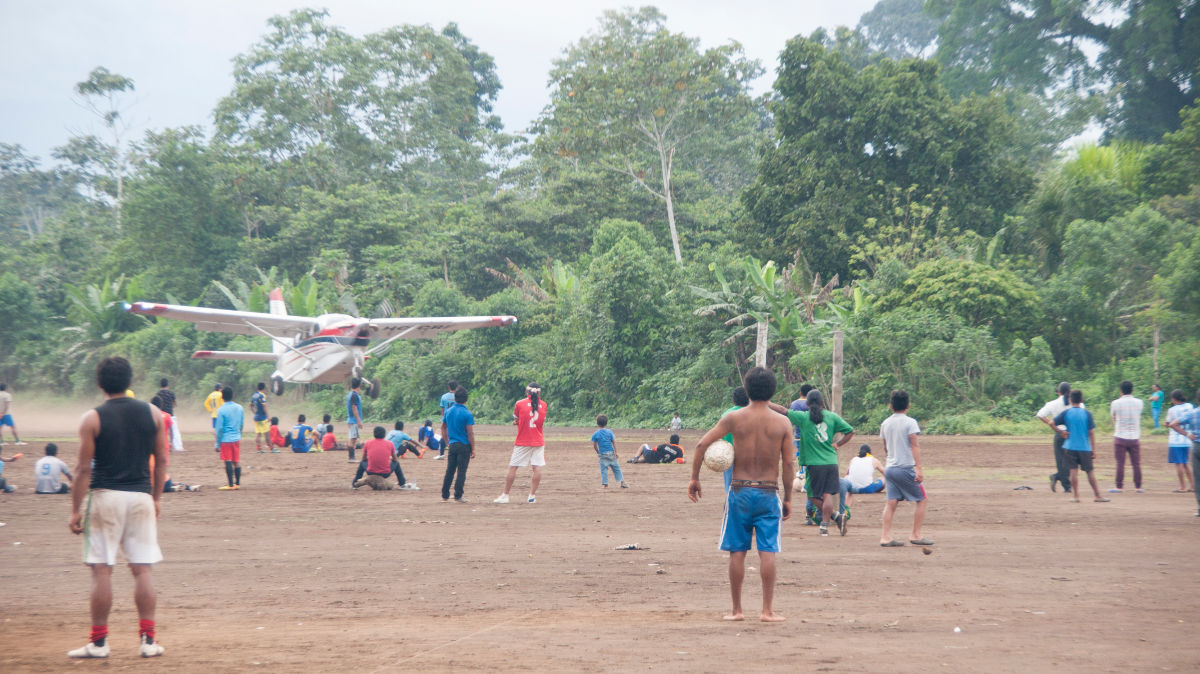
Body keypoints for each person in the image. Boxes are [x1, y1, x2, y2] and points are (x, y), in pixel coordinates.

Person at [68, 356, 167, 659]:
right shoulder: (154, 414)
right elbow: (162, 461)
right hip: (140, 497)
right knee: (142, 569)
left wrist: (75, 510)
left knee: (102, 571)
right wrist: (156, 498)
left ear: (100, 384)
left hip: (105, 497)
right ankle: (148, 641)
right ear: (129, 381)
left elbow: (83, 469)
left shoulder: (92, 419)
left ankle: (99, 643)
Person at [688, 366, 794, 623]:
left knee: (737, 551)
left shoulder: (734, 419)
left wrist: (695, 478)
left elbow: (702, 444)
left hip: (739, 490)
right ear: (773, 391)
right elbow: (789, 464)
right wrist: (789, 497)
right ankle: (767, 611)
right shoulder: (782, 422)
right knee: (768, 551)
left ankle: (737, 610)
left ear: (746, 390)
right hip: (769, 492)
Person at [771, 389, 854, 537]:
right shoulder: (832, 417)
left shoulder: (803, 417)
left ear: (807, 403)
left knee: (812, 496)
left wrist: (766, 402)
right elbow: (850, 431)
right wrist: (838, 444)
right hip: (831, 462)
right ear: (822, 402)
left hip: (814, 464)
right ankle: (828, 523)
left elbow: (783, 410)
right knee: (828, 494)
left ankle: (830, 521)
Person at [879, 389, 935, 546]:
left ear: (891, 406)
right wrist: (919, 468)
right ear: (908, 405)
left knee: (891, 502)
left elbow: (886, 448)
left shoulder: (885, 423)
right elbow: (914, 445)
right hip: (905, 468)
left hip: (889, 468)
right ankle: (915, 535)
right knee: (922, 499)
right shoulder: (910, 422)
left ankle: (885, 537)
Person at [494, 383, 548, 504]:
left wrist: (518, 423)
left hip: (523, 440)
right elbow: (538, 421)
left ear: (527, 392)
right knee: (536, 467)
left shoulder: (520, 403)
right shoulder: (544, 405)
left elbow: (518, 419)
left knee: (513, 467)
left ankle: (505, 495)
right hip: (538, 440)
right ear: (539, 393)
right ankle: (532, 496)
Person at [1053, 389, 1110, 504]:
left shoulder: (1067, 413)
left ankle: (1076, 496)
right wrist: (1093, 449)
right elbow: (1091, 433)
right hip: (1085, 447)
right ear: (1082, 400)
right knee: (1090, 472)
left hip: (1070, 446)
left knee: (1073, 472)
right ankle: (1097, 496)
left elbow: (1051, 423)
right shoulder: (1087, 413)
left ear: (1070, 400)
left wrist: (1061, 432)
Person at [1036, 382, 1077, 494]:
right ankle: (1064, 483)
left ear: (1058, 392)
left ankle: (1061, 480)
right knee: (1071, 460)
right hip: (1072, 434)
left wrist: (1052, 424)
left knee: (1061, 461)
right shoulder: (1074, 402)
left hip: (1059, 433)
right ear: (1070, 391)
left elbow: (1040, 414)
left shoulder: (1052, 403)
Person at [1165, 390, 1200, 516]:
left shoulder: (1173, 410)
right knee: (1186, 464)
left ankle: (1183, 487)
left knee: (1180, 464)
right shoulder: (1189, 406)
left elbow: (1170, 424)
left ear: (1174, 399)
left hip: (1180, 440)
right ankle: (1191, 486)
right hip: (1188, 443)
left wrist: (1186, 433)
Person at [353, 426, 418, 491]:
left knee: (362, 463)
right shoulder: (390, 444)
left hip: (370, 472)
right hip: (385, 473)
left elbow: (363, 459)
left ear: (374, 434)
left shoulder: (368, 443)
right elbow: (395, 459)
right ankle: (402, 483)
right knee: (396, 463)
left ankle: (355, 483)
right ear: (384, 435)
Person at [440, 387, 475, 502]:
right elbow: (470, 432)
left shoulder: (448, 411)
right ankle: (458, 495)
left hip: (452, 445)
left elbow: (443, 427)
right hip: (464, 445)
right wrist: (473, 448)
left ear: (455, 398)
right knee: (461, 471)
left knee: (450, 470)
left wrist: (446, 441)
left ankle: (445, 494)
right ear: (466, 399)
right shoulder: (467, 414)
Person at [1109, 380, 1145, 493]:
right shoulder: (1140, 402)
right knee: (1136, 463)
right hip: (1134, 437)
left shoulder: (1115, 403)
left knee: (1120, 463)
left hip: (1120, 436)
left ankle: (1119, 486)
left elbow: (1113, 417)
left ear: (1121, 391)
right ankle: (1138, 486)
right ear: (1132, 390)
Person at [838, 444, 886, 511]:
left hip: (852, 489)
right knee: (884, 479)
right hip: (867, 488)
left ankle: (846, 510)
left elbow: (847, 474)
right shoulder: (874, 460)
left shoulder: (853, 459)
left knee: (847, 477)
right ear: (870, 452)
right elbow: (886, 474)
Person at [215, 386, 244, 491]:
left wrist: (217, 444)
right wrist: (239, 434)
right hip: (236, 438)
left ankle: (230, 484)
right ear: (233, 395)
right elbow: (241, 424)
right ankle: (237, 483)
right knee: (236, 461)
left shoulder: (221, 410)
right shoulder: (240, 408)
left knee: (227, 461)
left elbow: (219, 429)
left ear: (222, 397)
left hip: (226, 439)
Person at [591, 415, 627, 489]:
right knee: (616, 468)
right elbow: (613, 442)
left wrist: (598, 452)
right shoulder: (609, 432)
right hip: (611, 453)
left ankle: (605, 485)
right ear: (606, 423)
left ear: (597, 423)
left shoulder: (596, 434)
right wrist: (616, 452)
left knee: (604, 470)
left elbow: (594, 445)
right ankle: (622, 482)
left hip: (602, 454)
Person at [435, 380, 458, 459]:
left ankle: (441, 454)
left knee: (444, 435)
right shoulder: (458, 396)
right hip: (456, 418)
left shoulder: (444, 396)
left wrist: (443, 418)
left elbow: (442, 410)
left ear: (449, 387)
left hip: (447, 418)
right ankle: (457, 453)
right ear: (457, 387)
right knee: (456, 435)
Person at [250, 382, 273, 454]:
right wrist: (268, 416)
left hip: (256, 418)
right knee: (267, 434)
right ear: (264, 388)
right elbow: (264, 406)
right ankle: (272, 448)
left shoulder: (254, 395)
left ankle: (259, 448)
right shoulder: (262, 395)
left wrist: (255, 413)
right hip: (262, 417)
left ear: (257, 388)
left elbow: (251, 406)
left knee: (258, 433)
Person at [346, 379, 364, 463]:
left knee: (353, 438)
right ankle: (351, 457)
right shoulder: (354, 395)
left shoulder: (351, 394)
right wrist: (359, 421)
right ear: (359, 386)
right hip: (353, 420)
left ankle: (352, 457)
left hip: (352, 420)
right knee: (353, 439)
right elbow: (354, 408)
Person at [203, 383, 223, 448]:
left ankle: (217, 443)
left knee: (216, 429)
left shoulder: (210, 395)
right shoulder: (221, 394)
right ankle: (221, 443)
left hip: (214, 414)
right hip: (220, 414)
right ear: (220, 388)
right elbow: (223, 403)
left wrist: (210, 410)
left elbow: (206, 404)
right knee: (222, 429)